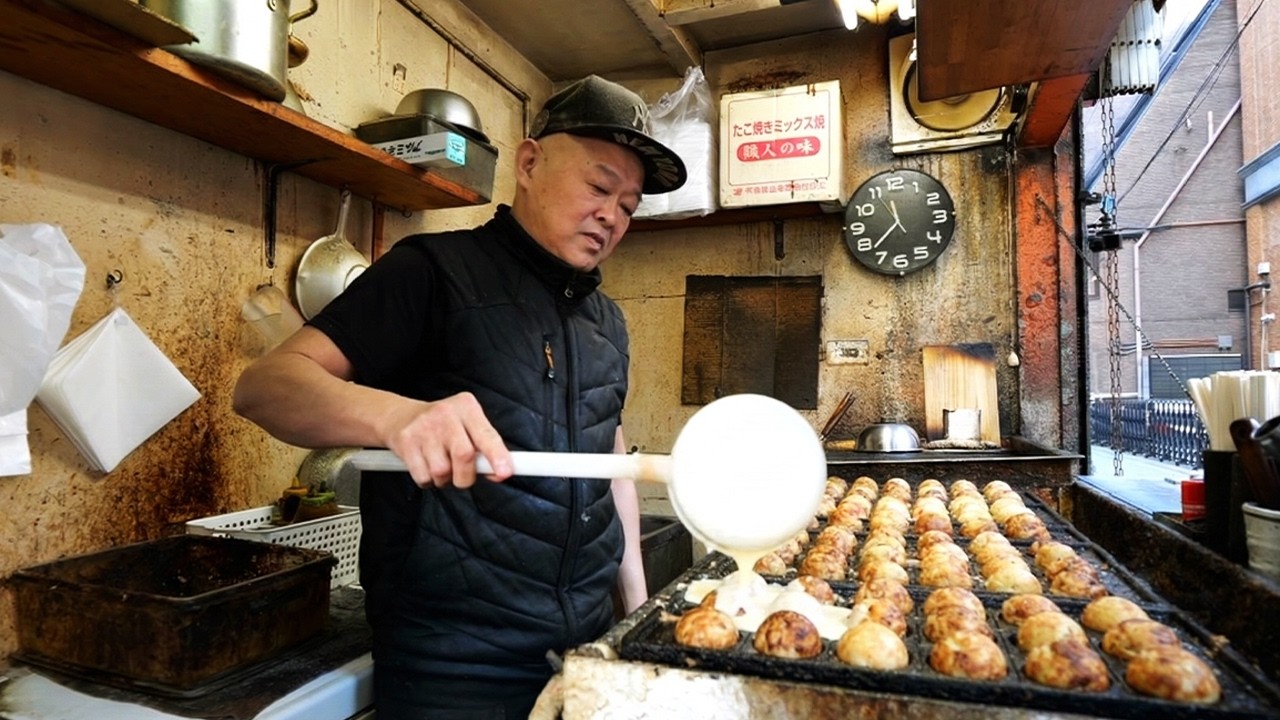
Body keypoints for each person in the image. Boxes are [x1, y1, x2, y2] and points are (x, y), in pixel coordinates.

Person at [233, 75, 687, 719]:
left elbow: (609, 460)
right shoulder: (432, 272)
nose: (613, 215)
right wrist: (398, 415)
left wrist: (635, 613)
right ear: (529, 163)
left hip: (585, 647)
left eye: (630, 204)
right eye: (598, 186)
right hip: (454, 664)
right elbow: (263, 388)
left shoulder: (607, 321)